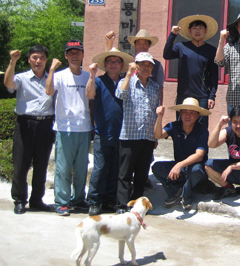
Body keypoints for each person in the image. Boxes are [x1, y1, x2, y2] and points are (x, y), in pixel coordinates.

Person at [4, 46, 55, 214]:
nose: (38, 61)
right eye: (34, 58)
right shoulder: (22, 78)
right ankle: (19, 200)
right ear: (29, 60)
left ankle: (37, 200)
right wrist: (13, 61)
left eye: (41, 58)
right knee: (21, 164)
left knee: (41, 165)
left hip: (46, 125)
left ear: (46, 60)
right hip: (25, 124)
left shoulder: (51, 79)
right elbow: (8, 84)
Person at [46, 40, 92, 216]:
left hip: (84, 128)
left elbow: (92, 98)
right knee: (63, 168)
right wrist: (51, 70)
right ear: (66, 55)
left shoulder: (88, 76)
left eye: (77, 52)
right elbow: (49, 91)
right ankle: (62, 201)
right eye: (71, 52)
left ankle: (79, 199)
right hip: (65, 128)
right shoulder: (59, 75)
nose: (74, 55)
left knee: (81, 168)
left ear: (82, 55)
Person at [85, 48, 134, 216]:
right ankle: (93, 201)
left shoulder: (125, 82)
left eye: (117, 62)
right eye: (110, 62)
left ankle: (109, 199)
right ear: (105, 65)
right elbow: (89, 94)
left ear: (122, 65)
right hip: (103, 132)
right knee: (100, 168)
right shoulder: (98, 81)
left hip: (122, 133)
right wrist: (91, 75)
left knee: (116, 169)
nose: (113, 64)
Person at [115, 52, 160, 213]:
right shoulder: (127, 82)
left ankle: (138, 205)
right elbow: (120, 94)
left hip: (147, 136)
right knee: (125, 174)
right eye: (142, 64)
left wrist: (156, 136)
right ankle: (122, 205)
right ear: (136, 66)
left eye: (149, 65)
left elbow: (155, 112)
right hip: (129, 135)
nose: (146, 68)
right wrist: (128, 74)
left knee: (142, 174)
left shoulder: (155, 86)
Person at [152, 98, 211, 211]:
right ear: (180, 113)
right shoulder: (174, 126)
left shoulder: (202, 130)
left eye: (192, 113)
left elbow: (200, 155)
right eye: (185, 112)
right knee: (157, 168)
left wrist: (180, 165)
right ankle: (175, 192)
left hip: (195, 168)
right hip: (180, 170)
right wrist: (159, 117)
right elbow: (158, 135)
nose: (187, 115)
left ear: (198, 116)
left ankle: (187, 194)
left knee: (196, 170)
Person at [163, 14, 219, 128]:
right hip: (183, 95)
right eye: (194, 28)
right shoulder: (181, 47)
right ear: (189, 31)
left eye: (200, 29)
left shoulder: (211, 50)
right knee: (181, 127)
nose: (197, 31)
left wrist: (212, 96)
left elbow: (214, 75)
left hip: (203, 96)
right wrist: (172, 35)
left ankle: (200, 147)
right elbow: (167, 55)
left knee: (201, 128)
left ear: (205, 31)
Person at [106, 29, 165, 104]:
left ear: (149, 45)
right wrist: (109, 44)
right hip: (128, 103)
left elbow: (160, 87)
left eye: (145, 43)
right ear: (135, 45)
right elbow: (110, 69)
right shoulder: (128, 62)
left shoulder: (156, 65)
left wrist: (159, 106)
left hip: (148, 103)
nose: (142, 46)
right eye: (139, 43)